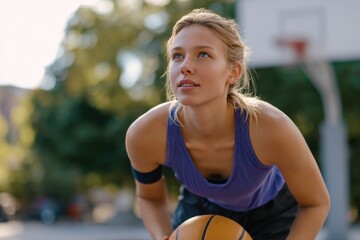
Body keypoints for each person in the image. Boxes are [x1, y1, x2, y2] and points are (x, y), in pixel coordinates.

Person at [125, 8, 330, 240]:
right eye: (177, 56)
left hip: (272, 213)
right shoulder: (146, 134)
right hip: (200, 208)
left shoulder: (270, 127)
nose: (185, 66)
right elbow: (149, 198)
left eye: (203, 54)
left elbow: (316, 203)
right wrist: (164, 236)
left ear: (233, 72)